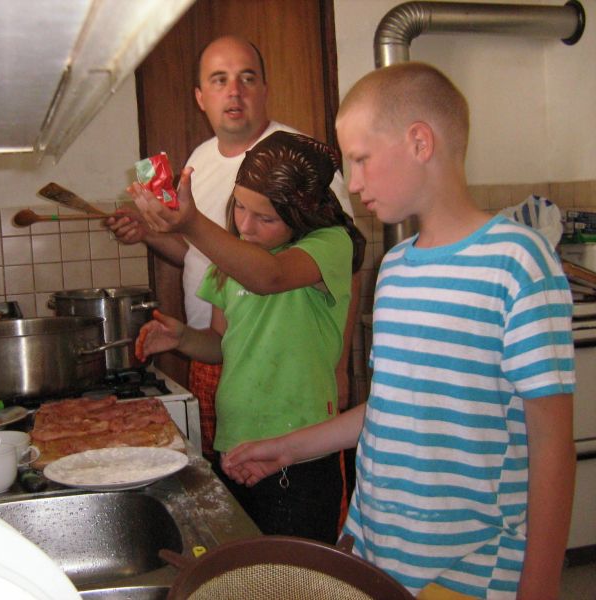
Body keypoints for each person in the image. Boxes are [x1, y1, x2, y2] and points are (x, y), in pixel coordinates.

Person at [222, 62, 576, 599]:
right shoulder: (394, 268)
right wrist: (288, 449)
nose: (353, 183)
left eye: (361, 159)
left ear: (419, 142)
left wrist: (540, 588)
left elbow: (552, 445)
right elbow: (392, 405)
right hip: (378, 559)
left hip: (470, 573)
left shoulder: (517, 263)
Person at [105, 35, 360, 460]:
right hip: (220, 352)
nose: (235, 91)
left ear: (265, 89)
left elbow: (337, 269)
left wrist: (339, 366)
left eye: (247, 78)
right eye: (220, 80)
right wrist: (152, 234)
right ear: (200, 97)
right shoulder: (199, 161)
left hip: (296, 379)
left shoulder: (299, 163)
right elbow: (202, 255)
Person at [129, 130, 365, 543]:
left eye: (265, 217)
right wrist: (183, 338)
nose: (246, 225)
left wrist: (191, 223)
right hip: (235, 446)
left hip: (301, 453)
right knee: (246, 571)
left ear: (303, 215)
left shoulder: (330, 245)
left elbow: (269, 277)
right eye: (239, 206)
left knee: (294, 575)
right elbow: (221, 343)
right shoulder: (231, 258)